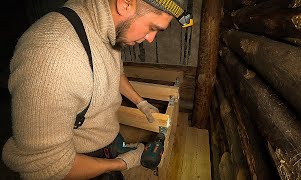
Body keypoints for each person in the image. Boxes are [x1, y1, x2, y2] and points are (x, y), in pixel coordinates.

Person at [2, 0, 192, 179]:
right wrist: (121, 164)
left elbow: (115, 73)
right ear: (126, 3)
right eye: (152, 28)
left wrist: (140, 102)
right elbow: (48, 166)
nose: (151, 39)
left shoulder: (107, 27)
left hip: (106, 141)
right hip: (77, 164)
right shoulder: (52, 56)